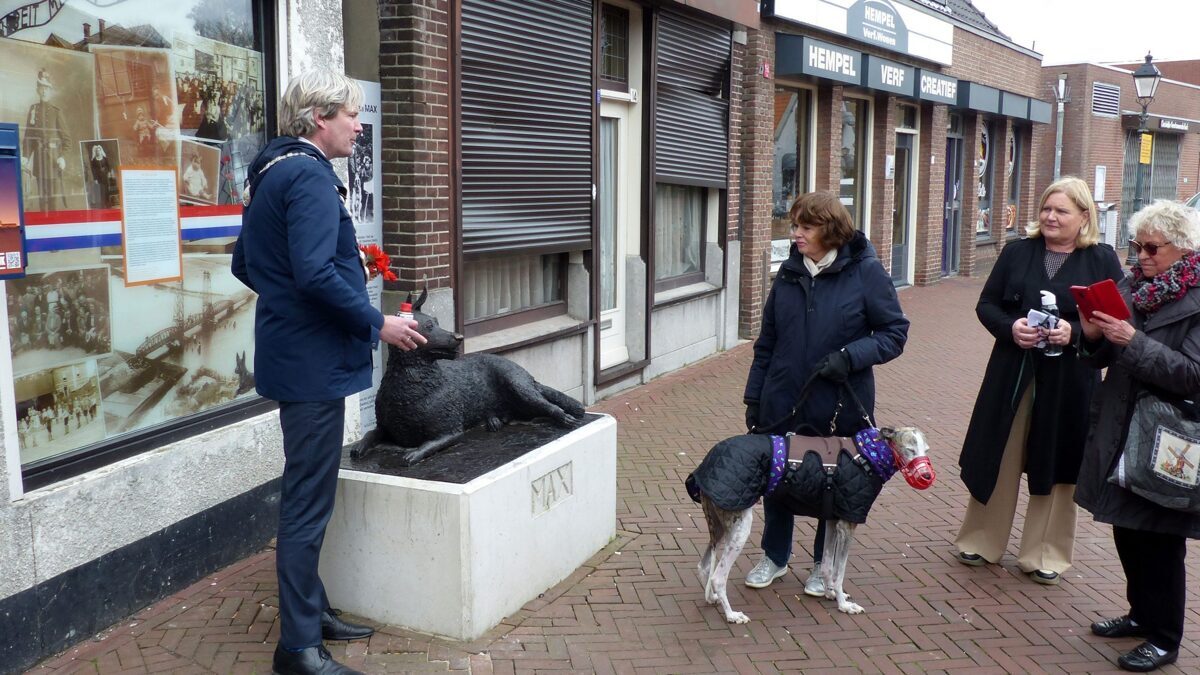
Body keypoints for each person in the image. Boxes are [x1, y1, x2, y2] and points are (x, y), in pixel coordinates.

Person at [231, 70, 426, 675]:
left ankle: (312, 614)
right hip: (313, 365)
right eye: (351, 114)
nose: (358, 126)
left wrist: (306, 293)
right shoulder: (309, 177)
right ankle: (297, 648)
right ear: (319, 117)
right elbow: (313, 274)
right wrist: (376, 322)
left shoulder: (271, 172)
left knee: (309, 495)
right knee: (306, 505)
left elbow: (246, 265)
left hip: (297, 358)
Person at [954, 176, 1123, 585]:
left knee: (1059, 458)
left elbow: (1116, 320)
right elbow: (987, 304)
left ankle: (1045, 553)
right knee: (1000, 450)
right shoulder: (1017, 252)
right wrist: (1011, 327)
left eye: (1061, 210)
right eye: (1046, 208)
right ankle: (981, 539)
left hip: (1070, 379)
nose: (1050, 216)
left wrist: (1074, 332)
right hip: (1013, 372)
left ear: (1084, 217)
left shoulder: (1101, 260)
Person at [742, 190, 909, 593]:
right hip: (783, 398)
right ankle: (775, 556)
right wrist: (755, 396)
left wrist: (850, 357)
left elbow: (894, 333)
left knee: (832, 482)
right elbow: (767, 342)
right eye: (794, 225)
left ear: (830, 230)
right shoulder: (789, 271)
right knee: (777, 478)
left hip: (839, 401)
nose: (795, 233)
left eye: (805, 226)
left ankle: (823, 564)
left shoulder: (866, 272)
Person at [1075, 200, 1200, 672]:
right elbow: (1105, 357)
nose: (1141, 256)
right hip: (1123, 425)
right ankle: (1141, 614)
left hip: (1170, 437)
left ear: (1182, 249)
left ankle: (1165, 637)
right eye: (1137, 246)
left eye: (1152, 248)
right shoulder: (1135, 287)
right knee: (1127, 529)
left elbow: (1192, 375)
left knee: (1161, 540)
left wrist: (1133, 341)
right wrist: (1092, 336)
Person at [22, 69, 70, 211]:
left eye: (46, 88)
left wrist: (62, 157)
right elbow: (28, 138)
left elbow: (67, 140)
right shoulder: (33, 109)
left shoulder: (56, 112)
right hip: (39, 162)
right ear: (37, 90)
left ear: (50, 91)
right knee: (42, 202)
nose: (44, 91)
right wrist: (25, 156)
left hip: (53, 162)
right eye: (41, 88)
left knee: (53, 203)